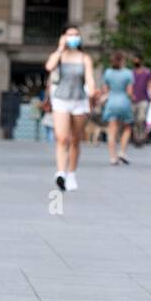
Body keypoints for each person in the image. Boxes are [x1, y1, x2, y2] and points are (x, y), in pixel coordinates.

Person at [44, 25, 96, 191]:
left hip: (79, 101)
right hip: (61, 100)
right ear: (63, 37)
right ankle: (61, 173)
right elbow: (49, 67)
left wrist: (93, 90)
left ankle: (72, 173)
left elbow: (89, 79)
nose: (73, 38)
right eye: (70, 35)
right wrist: (60, 48)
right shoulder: (59, 56)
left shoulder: (84, 58)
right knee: (62, 138)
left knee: (75, 140)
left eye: (76, 35)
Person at [98, 52, 134, 165]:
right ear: (123, 60)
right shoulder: (128, 73)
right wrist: (133, 98)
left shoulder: (108, 73)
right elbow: (129, 92)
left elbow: (105, 90)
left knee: (112, 131)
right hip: (124, 102)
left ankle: (113, 157)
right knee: (127, 128)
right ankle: (122, 151)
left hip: (111, 102)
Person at [130, 56, 151, 145]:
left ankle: (141, 137)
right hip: (133, 99)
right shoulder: (131, 72)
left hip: (144, 99)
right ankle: (136, 137)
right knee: (134, 119)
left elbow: (150, 84)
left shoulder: (147, 72)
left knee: (141, 118)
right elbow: (129, 85)